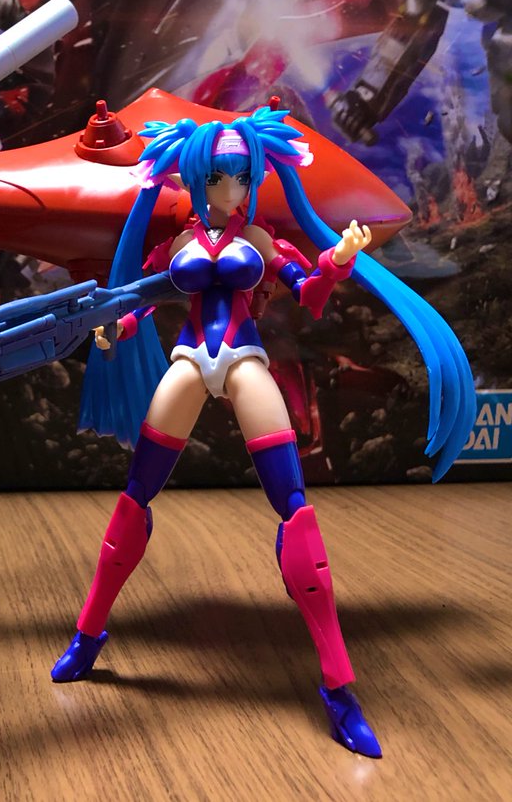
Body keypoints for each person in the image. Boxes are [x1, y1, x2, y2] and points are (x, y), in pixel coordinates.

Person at [54, 104, 475, 758]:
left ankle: (338, 686)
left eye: (240, 177)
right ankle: (88, 634)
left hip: (244, 360)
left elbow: (307, 290)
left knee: (295, 509)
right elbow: (141, 301)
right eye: (217, 178)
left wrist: (338, 260)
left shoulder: (260, 238)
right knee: (136, 495)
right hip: (189, 360)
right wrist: (113, 330)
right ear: (195, 179)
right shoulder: (176, 244)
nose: (230, 189)